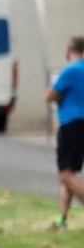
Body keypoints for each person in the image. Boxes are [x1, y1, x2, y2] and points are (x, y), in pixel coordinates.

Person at [47, 36, 84, 229]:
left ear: (69, 48)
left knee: (64, 176)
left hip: (71, 124)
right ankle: (61, 220)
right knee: (70, 173)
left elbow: (50, 95)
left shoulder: (70, 70)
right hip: (81, 125)